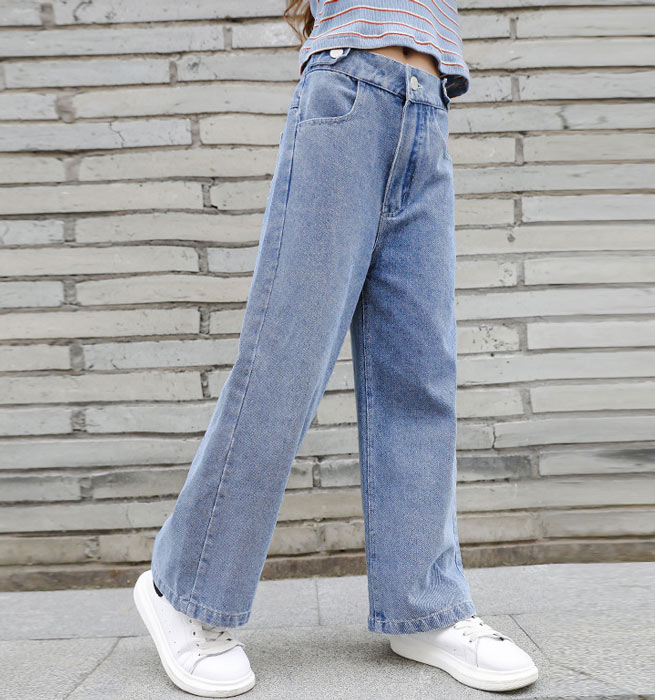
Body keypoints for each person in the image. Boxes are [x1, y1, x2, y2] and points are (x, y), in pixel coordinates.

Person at [132, 1, 539, 696]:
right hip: (348, 97)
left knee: (421, 373)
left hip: (429, 110)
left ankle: (423, 606)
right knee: (285, 361)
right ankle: (185, 591)